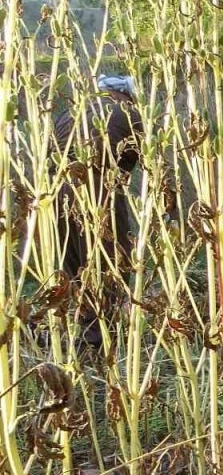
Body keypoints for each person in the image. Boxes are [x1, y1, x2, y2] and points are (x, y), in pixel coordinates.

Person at [52, 75, 143, 349]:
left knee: (76, 266)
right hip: (99, 195)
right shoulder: (126, 112)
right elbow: (142, 157)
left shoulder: (67, 112)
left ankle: (82, 334)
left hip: (58, 198)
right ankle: (102, 340)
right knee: (110, 264)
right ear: (124, 95)